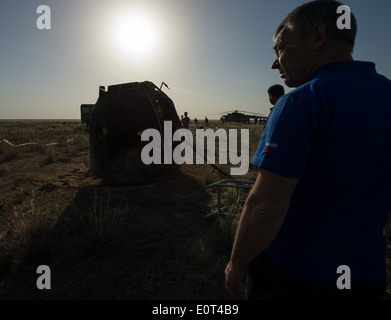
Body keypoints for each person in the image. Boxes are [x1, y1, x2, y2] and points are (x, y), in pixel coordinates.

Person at [225, 0, 391, 300]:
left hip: (297, 275)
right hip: (367, 275)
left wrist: (236, 264)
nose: (275, 63)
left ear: (317, 36)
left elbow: (266, 206)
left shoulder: (300, 102)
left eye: (280, 48)